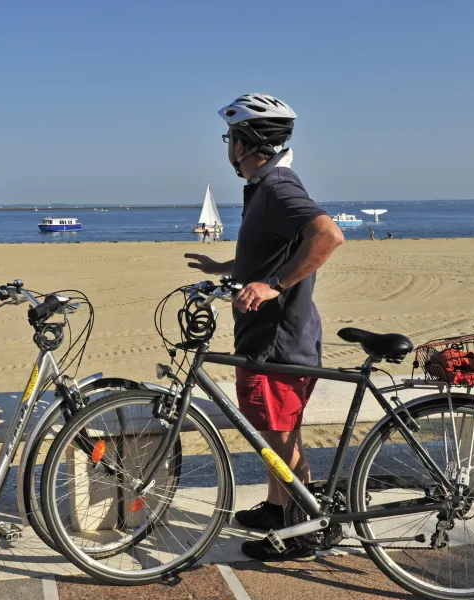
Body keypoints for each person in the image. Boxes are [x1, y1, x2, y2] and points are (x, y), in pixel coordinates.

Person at [185, 93, 344, 561]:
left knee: (279, 434)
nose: (226, 145)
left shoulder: (277, 186)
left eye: (229, 136)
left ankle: (302, 528)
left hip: (279, 340)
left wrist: (274, 285)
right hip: (265, 337)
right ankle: (278, 510)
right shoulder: (262, 187)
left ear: (244, 140)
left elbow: (328, 235)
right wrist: (226, 266)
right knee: (271, 431)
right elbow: (271, 250)